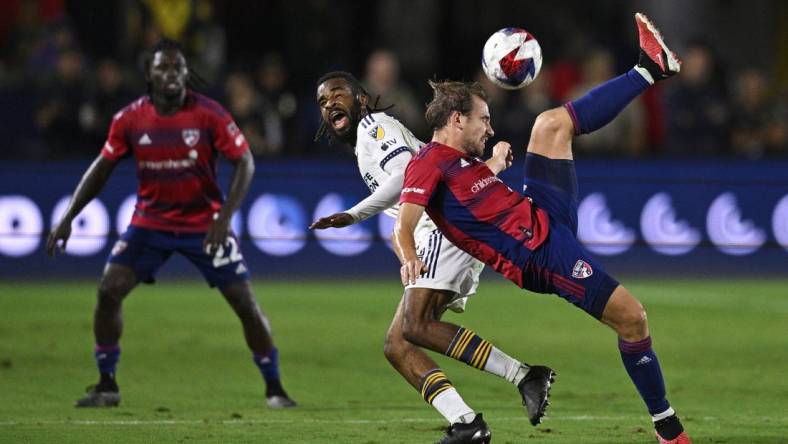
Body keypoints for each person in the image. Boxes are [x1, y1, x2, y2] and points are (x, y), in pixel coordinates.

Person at [395, 13, 691, 444]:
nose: (490, 127)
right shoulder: (427, 164)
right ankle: (669, 428)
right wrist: (409, 257)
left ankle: (649, 67)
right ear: (457, 121)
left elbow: (477, 202)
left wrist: (493, 165)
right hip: (539, 253)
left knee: (551, 123)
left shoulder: (465, 165)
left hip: (542, 215)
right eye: (483, 119)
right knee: (633, 319)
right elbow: (403, 224)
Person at [46, 39, 295, 409]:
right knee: (108, 290)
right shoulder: (129, 119)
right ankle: (107, 383)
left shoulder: (209, 115)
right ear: (149, 74)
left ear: (185, 74)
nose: (171, 74)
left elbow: (246, 162)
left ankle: (274, 387)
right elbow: (101, 168)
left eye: (177, 68)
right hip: (151, 223)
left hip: (204, 224)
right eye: (162, 67)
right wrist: (68, 216)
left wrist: (224, 218)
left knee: (244, 302)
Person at [310, 71, 554, 444]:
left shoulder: (374, 126)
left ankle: (519, 380)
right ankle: (468, 420)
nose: (330, 104)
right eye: (323, 102)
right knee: (399, 343)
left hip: (442, 224)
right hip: (439, 228)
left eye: (337, 94)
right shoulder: (363, 143)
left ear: (361, 99)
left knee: (415, 324)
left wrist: (354, 214)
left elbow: (409, 172)